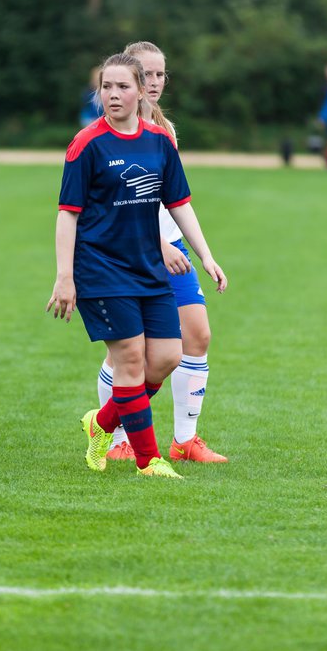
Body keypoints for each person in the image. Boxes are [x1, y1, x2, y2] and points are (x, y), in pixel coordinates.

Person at [47, 53, 228, 478]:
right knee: (130, 359)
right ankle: (150, 461)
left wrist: (206, 255)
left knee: (165, 357)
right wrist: (65, 276)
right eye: (106, 87)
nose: (113, 94)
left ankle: (102, 421)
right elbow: (67, 213)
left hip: (148, 266)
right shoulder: (86, 144)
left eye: (122, 87)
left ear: (139, 88)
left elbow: (179, 204)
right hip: (101, 269)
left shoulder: (159, 141)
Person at [96, 41, 229, 464]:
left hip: (170, 249)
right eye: (147, 75)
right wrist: (157, 243)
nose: (154, 82)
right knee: (126, 355)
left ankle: (184, 440)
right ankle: (114, 437)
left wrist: (202, 253)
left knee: (197, 336)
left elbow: (171, 198)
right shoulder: (110, 132)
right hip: (133, 252)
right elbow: (119, 204)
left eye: (160, 75)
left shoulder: (164, 130)